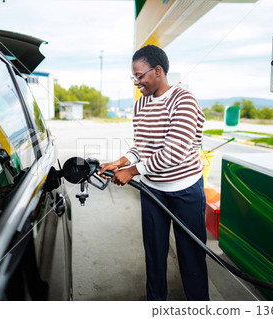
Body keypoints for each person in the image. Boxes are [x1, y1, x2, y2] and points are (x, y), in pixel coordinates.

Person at [98, 45, 209, 301]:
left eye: (139, 76)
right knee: (155, 255)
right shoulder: (141, 105)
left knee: (191, 258)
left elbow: (174, 152)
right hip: (152, 191)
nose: (137, 82)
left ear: (157, 71)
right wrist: (121, 161)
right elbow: (144, 146)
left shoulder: (184, 100)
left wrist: (132, 171)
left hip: (185, 190)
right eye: (134, 77)